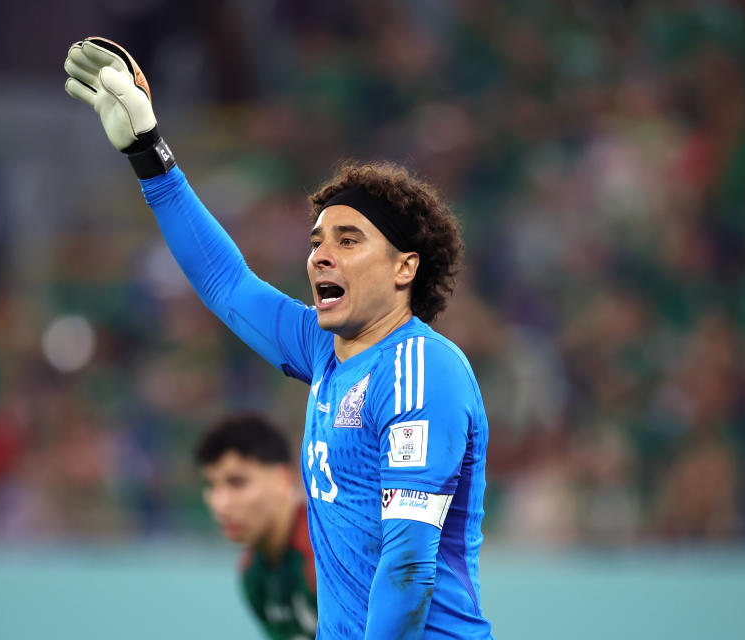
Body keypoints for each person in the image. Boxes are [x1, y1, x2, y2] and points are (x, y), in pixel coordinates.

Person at [64, 37, 493, 639]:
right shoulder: (326, 352)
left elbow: (409, 564)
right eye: (317, 240)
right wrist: (147, 152)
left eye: (348, 240)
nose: (320, 254)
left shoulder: (425, 369)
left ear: (405, 267)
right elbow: (225, 281)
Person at [196, 413, 317, 640]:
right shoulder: (252, 575)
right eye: (211, 485)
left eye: (237, 482)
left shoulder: (324, 555)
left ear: (283, 479)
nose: (221, 504)